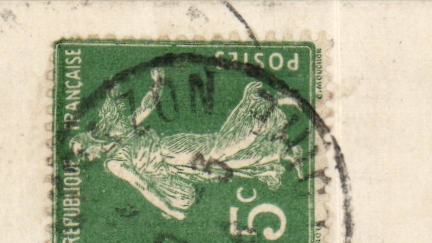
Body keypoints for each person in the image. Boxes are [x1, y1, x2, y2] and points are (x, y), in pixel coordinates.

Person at [69, 67, 303, 220]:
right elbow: (144, 186)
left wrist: (157, 85)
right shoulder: (113, 162)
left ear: (89, 141)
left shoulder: (118, 136)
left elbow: (146, 109)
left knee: (220, 149)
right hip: (174, 169)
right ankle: (279, 151)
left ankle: (265, 108)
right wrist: (170, 209)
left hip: (170, 149)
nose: (86, 158)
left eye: (83, 152)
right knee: (227, 162)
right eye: (83, 158)